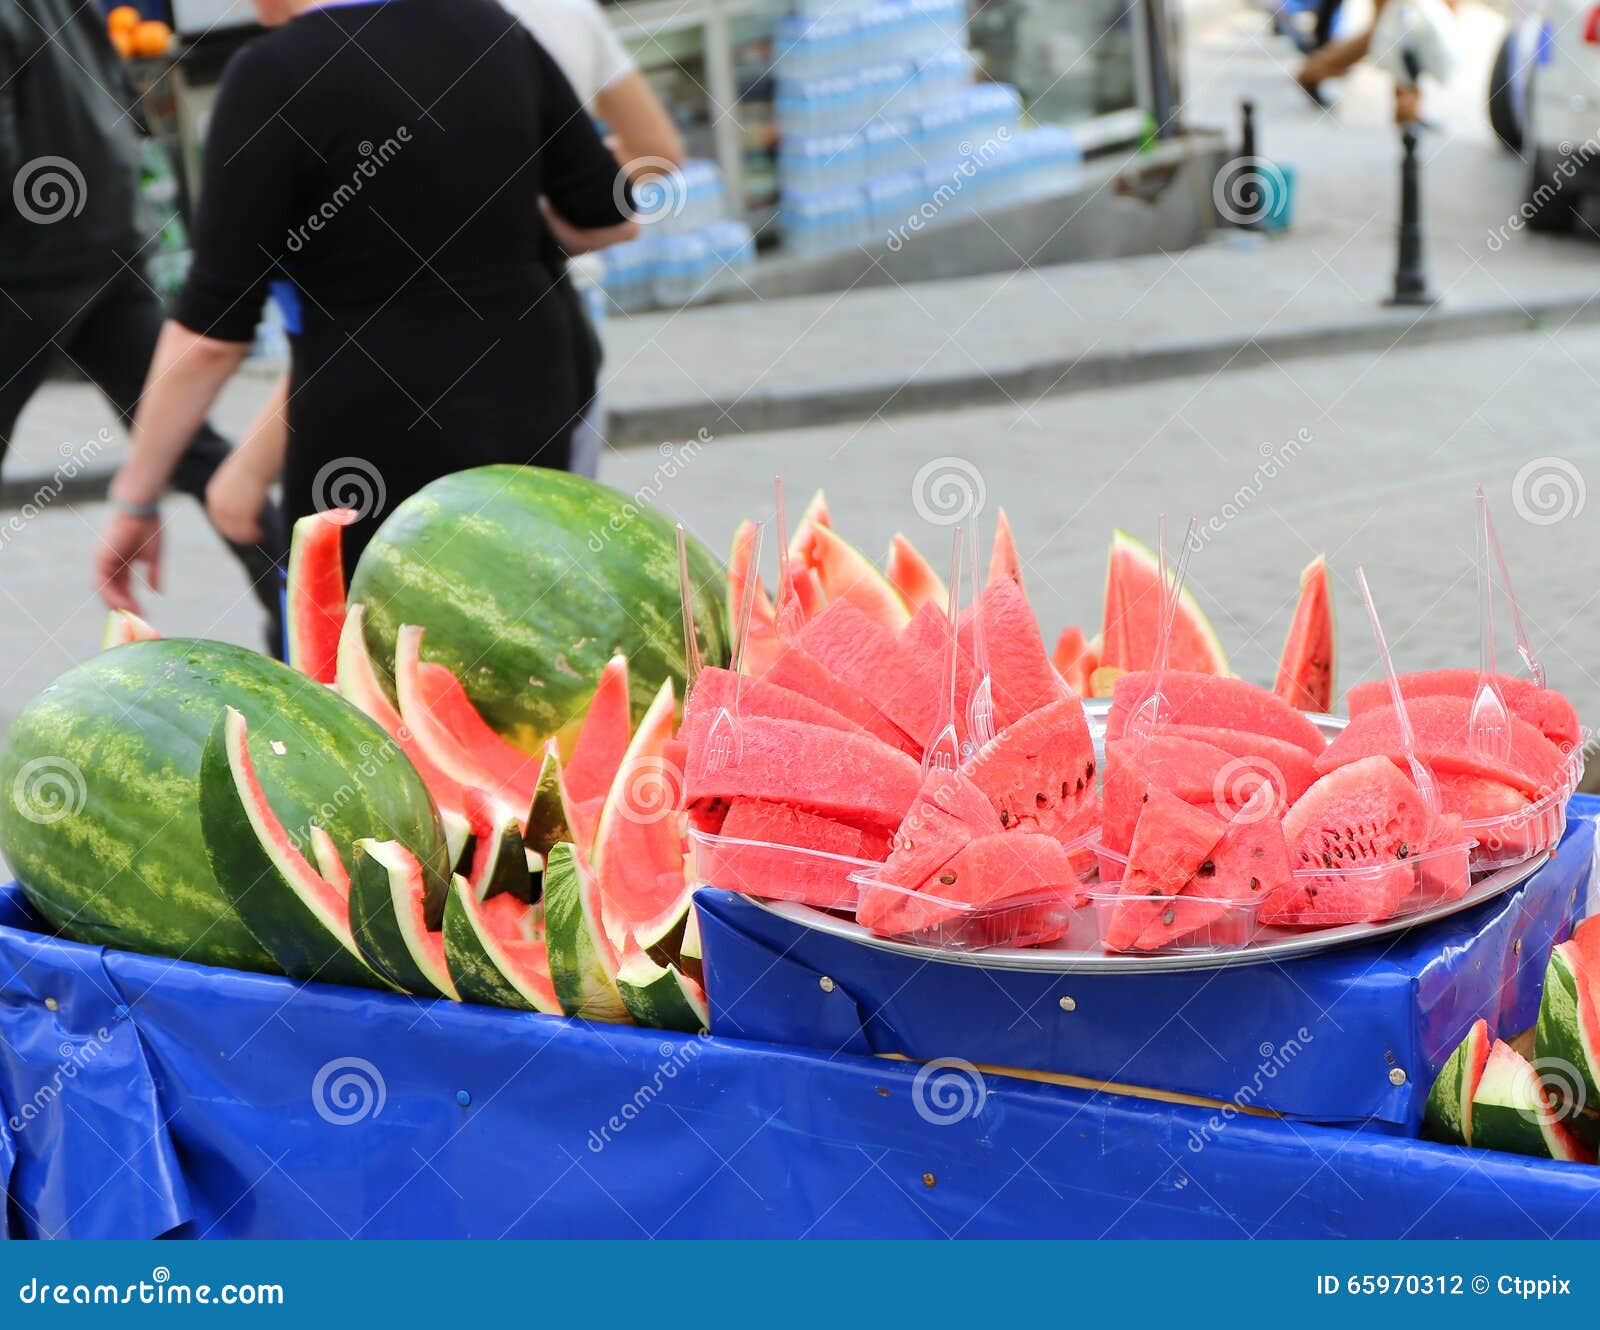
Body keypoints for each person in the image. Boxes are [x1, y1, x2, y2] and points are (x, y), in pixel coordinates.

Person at [95, 0, 638, 614]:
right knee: (528, 634)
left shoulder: (272, 72)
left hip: (369, 434)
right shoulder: (491, 28)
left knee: (369, 652)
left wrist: (135, 499)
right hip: (534, 395)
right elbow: (609, 216)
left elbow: (214, 334)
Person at [203, 0, 682, 535]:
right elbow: (644, 167)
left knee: (379, 599)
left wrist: (247, 467)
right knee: (540, 582)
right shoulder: (539, 15)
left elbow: (348, 294)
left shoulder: (305, 56)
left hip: (378, 405)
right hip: (541, 365)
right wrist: (514, 213)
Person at [0, 0, 283, 637]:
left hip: (23, 264)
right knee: (184, 436)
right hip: (105, 242)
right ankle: (302, 598)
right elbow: (119, 93)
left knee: (180, 431)